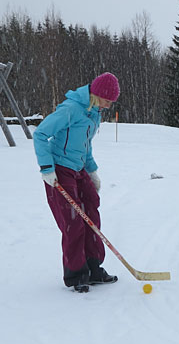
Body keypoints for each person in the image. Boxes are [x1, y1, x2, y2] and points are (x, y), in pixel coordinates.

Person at [34, 72, 121, 293]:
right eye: (108, 101)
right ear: (97, 95)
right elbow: (41, 134)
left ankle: (93, 268)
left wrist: (92, 171)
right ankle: (76, 274)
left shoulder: (94, 113)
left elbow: (85, 145)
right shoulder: (70, 109)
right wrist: (47, 168)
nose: (109, 106)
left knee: (91, 210)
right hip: (60, 170)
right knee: (73, 221)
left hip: (79, 168)